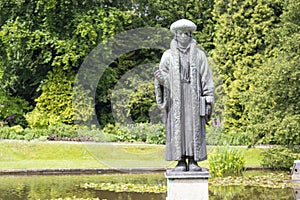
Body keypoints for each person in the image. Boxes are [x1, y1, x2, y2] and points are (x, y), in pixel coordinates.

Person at [154, 19, 214, 172]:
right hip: (176, 98)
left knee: (193, 127)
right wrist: (161, 80)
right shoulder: (167, 56)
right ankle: (180, 160)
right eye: (180, 34)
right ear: (176, 36)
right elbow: (163, 77)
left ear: (190, 35)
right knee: (177, 127)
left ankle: (194, 160)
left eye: (186, 34)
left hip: (193, 96)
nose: (183, 36)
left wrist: (208, 99)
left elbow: (206, 77)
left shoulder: (199, 55)